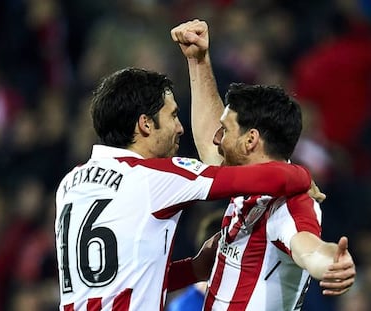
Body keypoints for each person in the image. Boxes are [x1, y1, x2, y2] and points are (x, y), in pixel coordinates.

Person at [54, 67, 313, 311]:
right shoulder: (156, 176)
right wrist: (300, 176)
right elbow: (256, 177)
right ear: (145, 124)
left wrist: (193, 270)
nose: (180, 128)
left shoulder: (70, 184)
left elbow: (114, 280)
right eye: (173, 116)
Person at [171, 19, 356, 310]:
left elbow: (307, 246)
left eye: (226, 130)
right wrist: (198, 59)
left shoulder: (290, 203)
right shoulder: (249, 184)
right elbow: (209, 143)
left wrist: (332, 262)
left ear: (250, 140)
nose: (217, 139)